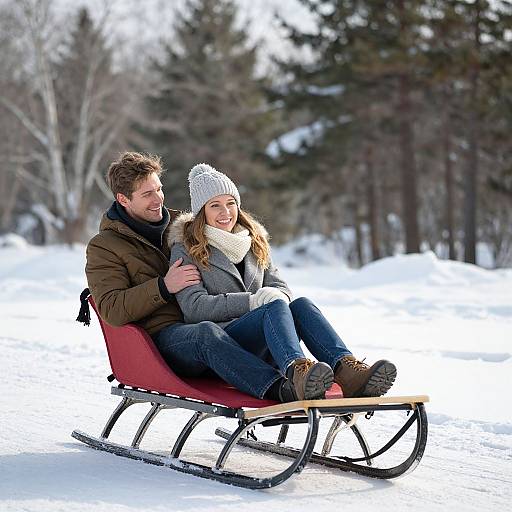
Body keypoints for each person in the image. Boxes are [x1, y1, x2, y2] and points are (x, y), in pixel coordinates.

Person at [162, 163, 397, 402]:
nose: (226, 212)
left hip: (259, 337)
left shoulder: (253, 242)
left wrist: (277, 297)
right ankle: (297, 371)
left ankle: (346, 371)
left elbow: (279, 286)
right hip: (224, 343)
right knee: (271, 307)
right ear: (202, 212)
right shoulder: (186, 248)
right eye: (215, 206)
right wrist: (252, 302)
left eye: (230, 203)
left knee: (301, 305)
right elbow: (194, 308)